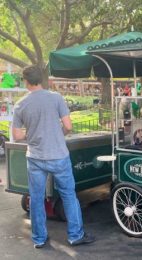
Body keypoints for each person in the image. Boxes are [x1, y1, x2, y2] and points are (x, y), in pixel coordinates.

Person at [12, 65, 95, 248]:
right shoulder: (56, 98)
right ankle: (75, 236)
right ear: (41, 79)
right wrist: (59, 132)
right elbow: (69, 126)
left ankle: (39, 239)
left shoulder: (20, 105)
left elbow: (17, 136)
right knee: (69, 196)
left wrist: (31, 134)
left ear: (26, 81)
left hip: (34, 158)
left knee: (36, 198)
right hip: (58, 156)